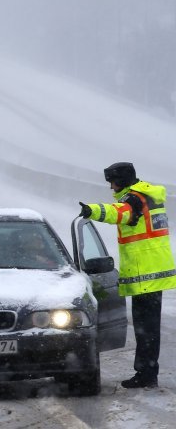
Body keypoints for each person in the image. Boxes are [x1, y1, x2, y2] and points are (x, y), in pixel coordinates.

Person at [79, 161, 176, 389]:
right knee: (148, 328)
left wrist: (91, 210)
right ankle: (147, 372)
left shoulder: (134, 198)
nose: (111, 188)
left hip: (145, 272)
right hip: (153, 270)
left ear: (121, 180)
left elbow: (118, 213)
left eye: (112, 182)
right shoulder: (148, 195)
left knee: (146, 330)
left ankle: (146, 375)